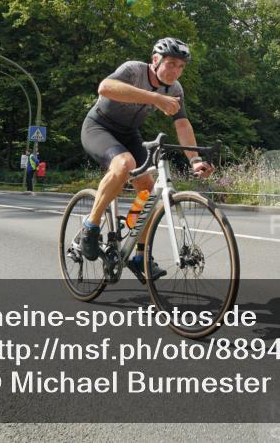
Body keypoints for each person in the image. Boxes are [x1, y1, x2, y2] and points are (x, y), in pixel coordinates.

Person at [79, 37, 215, 281]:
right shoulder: (133, 70)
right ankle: (91, 225)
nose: (176, 71)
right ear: (155, 60)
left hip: (130, 134)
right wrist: (154, 98)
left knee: (148, 191)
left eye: (181, 66)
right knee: (124, 164)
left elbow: (182, 125)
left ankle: (139, 255)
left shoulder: (175, 89)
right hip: (99, 127)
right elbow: (105, 88)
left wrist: (194, 159)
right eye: (171, 63)